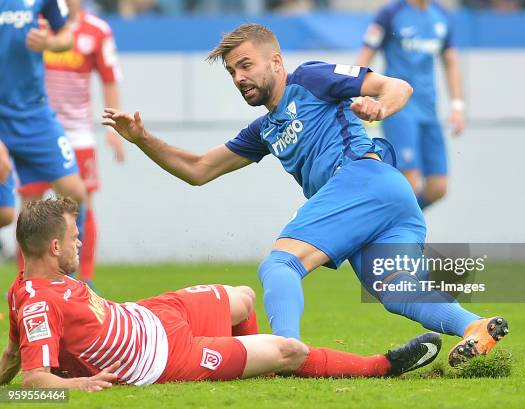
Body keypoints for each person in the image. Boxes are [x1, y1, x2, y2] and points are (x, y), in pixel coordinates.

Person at [102, 23, 508, 366]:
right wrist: (142, 139)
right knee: (398, 292)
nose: (239, 77)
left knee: (280, 265)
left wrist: (380, 108)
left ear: (275, 62)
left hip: (363, 180)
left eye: (245, 65)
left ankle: (283, 354)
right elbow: (198, 169)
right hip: (387, 199)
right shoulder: (263, 130)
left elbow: (397, 86)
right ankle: (474, 325)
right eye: (231, 72)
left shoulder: (311, 78)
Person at [0, 197, 442, 390]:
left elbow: (13, 357)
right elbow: (33, 383)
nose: (81, 243)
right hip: (164, 358)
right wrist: (80, 384)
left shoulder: (23, 291)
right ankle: (384, 366)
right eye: (75, 238)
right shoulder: (39, 301)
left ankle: (252, 365)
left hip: (153, 314)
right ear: (54, 247)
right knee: (288, 349)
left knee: (243, 297)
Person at [19, 0, 125, 289]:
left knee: (81, 203)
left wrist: (113, 127)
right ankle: (27, 280)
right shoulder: (33, 23)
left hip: (78, 134)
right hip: (37, 130)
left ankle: (84, 278)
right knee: (29, 205)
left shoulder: (97, 30)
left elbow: (109, 78)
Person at [356, 0, 465, 210]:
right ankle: (398, 235)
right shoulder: (391, 13)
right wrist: (355, 94)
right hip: (398, 109)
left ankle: (387, 225)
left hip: (429, 110)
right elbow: (365, 56)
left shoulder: (440, 15)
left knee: (438, 186)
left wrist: (457, 106)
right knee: (410, 181)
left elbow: (450, 61)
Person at [0, 0, 87, 248]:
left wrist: (49, 43)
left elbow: (67, 36)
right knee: (5, 215)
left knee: (75, 192)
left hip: (34, 112)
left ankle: (69, 278)